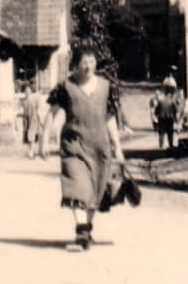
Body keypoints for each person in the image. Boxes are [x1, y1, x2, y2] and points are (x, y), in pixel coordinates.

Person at [44, 48, 127, 251]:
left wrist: (118, 147)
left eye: (91, 61)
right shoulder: (66, 87)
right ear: (76, 65)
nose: (88, 66)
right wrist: (44, 140)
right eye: (84, 62)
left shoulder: (106, 87)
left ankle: (86, 228)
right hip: (74, 145)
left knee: (95, 191)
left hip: (99, 147)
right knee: (77, 185)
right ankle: (81, 229)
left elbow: (110, 119)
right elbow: (51, 113)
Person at [149, 75, 185, 151]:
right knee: (170, 133)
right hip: (169, 119)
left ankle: (161, 147)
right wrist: (176, 121)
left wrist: (156, 117)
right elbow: (175, 111)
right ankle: (171, 145)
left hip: (161, 119)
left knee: (161, 133)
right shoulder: (173, 101)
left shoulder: (160, 100)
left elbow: (156, 111)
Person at [16, 80, 45, 159]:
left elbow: (40, 108)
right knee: (32, 136)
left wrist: (41, 118)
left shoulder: (35, 97)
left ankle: (40, 151)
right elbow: (20, 109)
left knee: (40, 134)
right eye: (25, 90)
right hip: (31, 118)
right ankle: (31, 152)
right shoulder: (26, 99)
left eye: (28, 89)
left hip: (36, 117)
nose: (27, 91)